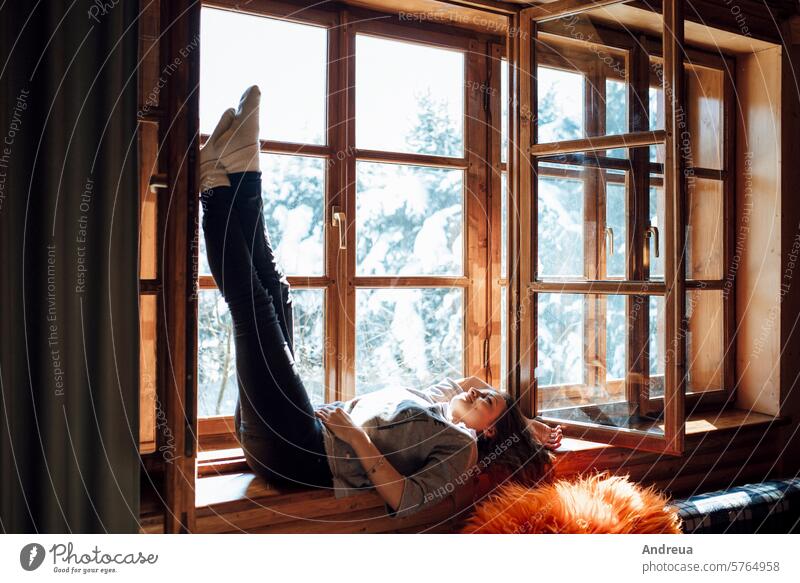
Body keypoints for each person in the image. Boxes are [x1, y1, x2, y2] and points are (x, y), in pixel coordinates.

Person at [199, 85, 563, 518]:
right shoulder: (435, 400)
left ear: (488, 434)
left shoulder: (460, 449)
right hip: (296, 429)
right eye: (487, 394)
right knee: (278, 293)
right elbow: (469, 382)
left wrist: (356, 438)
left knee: (254, 309)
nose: (479, 393)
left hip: (299, 453)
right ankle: (240, 174)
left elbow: (406, 501)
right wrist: (521, 424)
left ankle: (213, 190)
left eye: (488, 404)